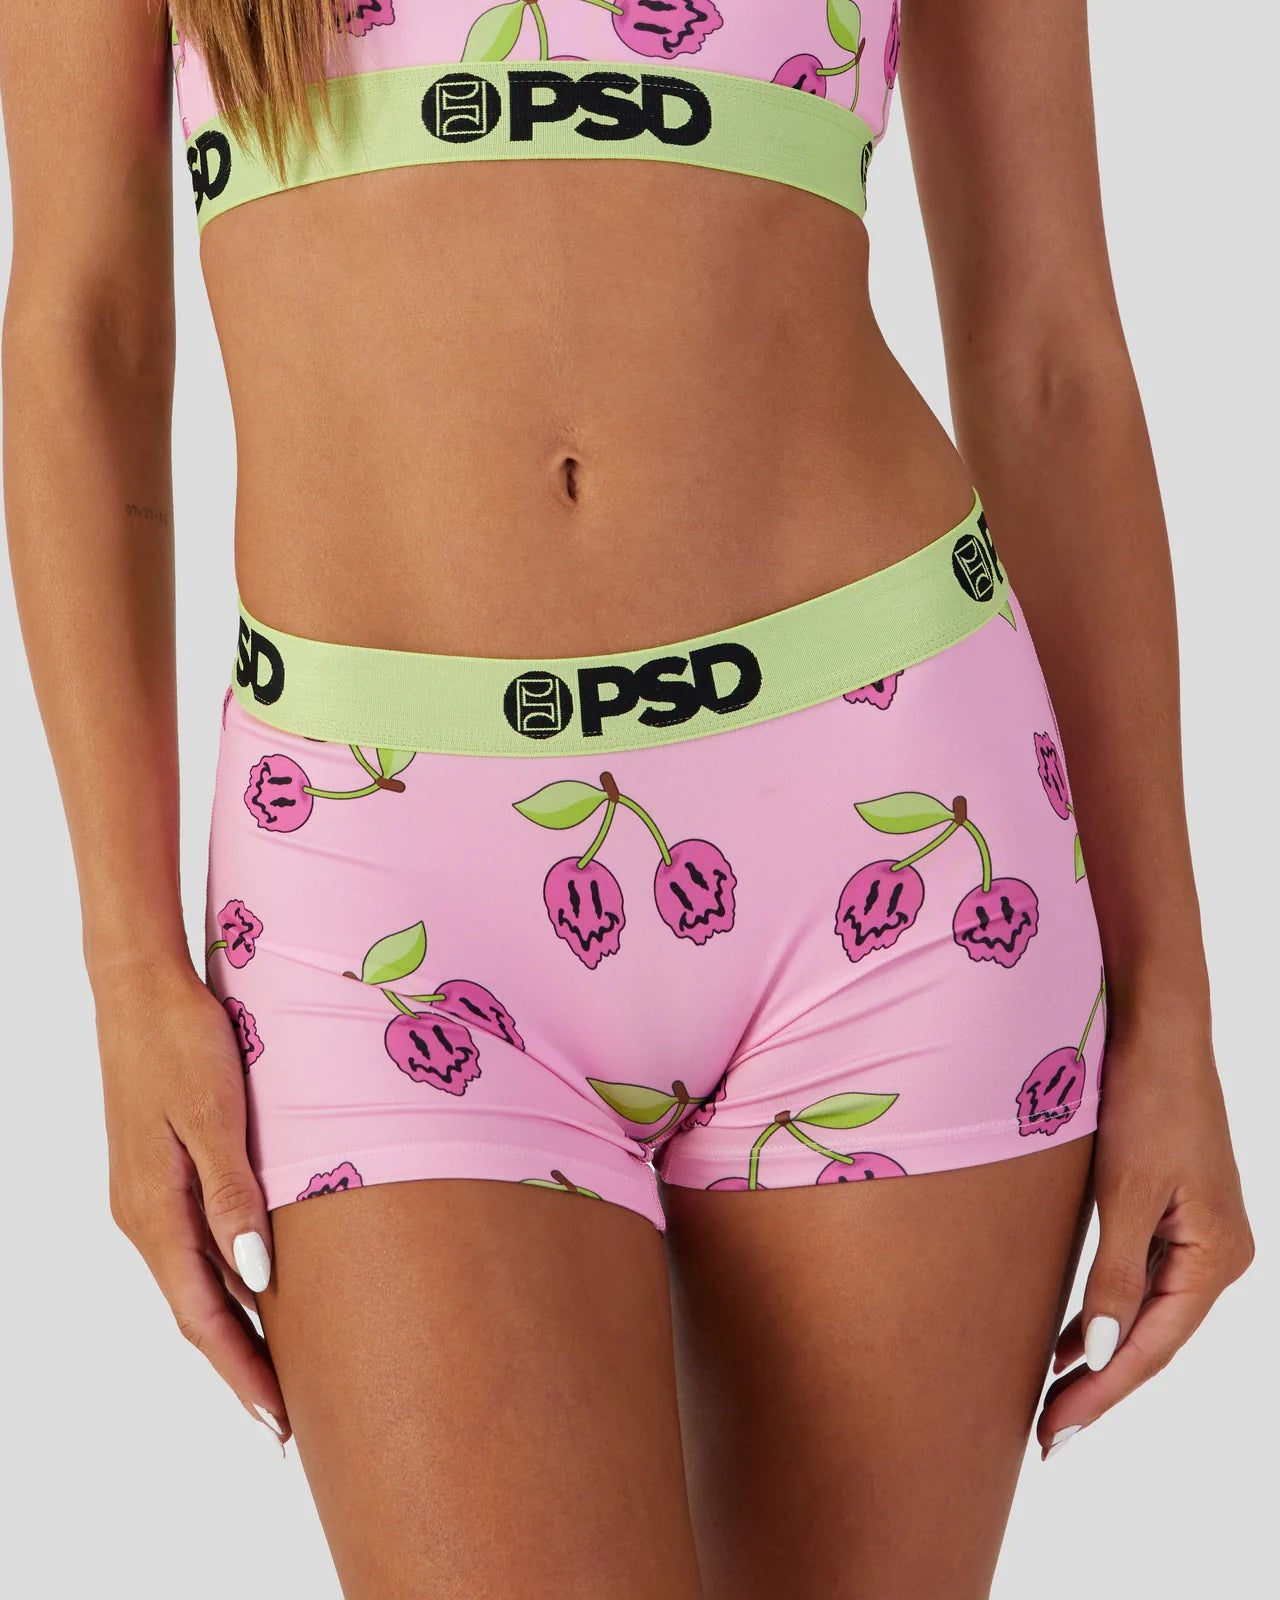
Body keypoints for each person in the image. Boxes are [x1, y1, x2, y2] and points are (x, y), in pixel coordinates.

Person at [0, 3, 1253, 1596]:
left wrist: (1172, 1010)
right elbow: (84, 331)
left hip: (897, 843)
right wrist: (126, 975)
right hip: (376, 881)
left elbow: (1049, 354)